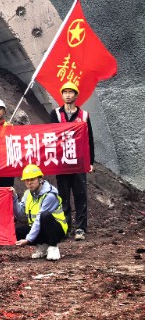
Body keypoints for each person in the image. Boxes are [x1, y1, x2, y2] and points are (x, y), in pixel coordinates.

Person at [49, 81, 94, 241]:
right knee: (63, 196)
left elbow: (89, 139)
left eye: (71, 92)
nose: (68, 95)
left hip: (79, 162)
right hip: (62, 162)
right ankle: (65, 227)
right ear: (61, 95)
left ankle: (80, 228)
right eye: (65, 92)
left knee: (80, 195)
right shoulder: (55, 114)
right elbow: (50, 135)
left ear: (76, 95)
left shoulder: (84, 115)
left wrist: (90, 162)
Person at [12, 164, 68, 261]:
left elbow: (39, 219)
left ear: (40, 179)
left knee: (44, 216)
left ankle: (53, 247)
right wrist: (14, 198)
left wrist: (28, 239)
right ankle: (43, 246)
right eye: (26, 180)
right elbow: (20, 213)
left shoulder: (49, 195)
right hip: (40, 229)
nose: (29, 183)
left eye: (32, 179)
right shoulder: (27, 194)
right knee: (16, 232)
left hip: (57, 230)